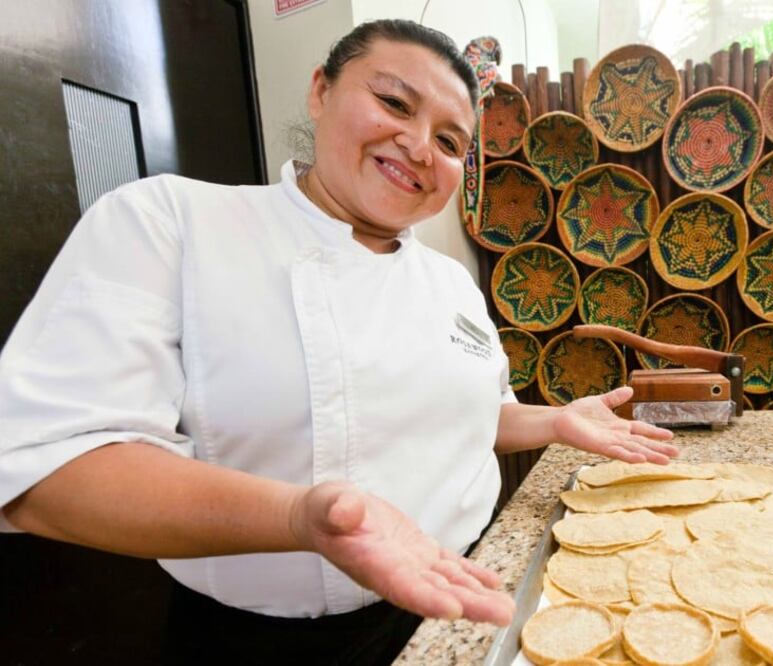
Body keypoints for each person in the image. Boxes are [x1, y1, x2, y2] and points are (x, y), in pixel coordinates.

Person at [0, 19, 677, 664]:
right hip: (255, 645)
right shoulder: (172, 222)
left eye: (450, 142)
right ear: (321, 90)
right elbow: (46, 469)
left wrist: (555, 421)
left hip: (455, 603)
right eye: (394, 103)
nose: (420, 147)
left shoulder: (449, 282)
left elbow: (475, 417)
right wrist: (299, 518)